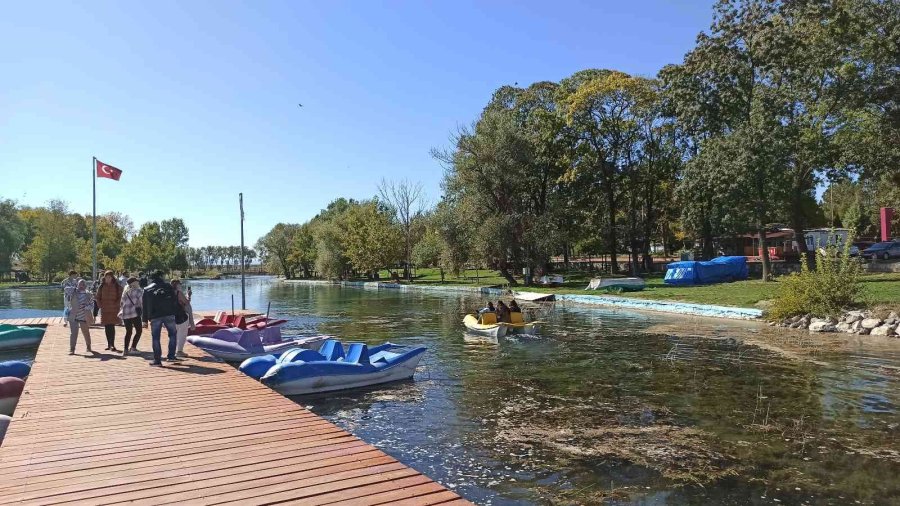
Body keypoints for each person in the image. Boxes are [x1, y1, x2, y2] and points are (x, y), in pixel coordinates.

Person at [142, 270, 180, 366]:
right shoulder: (169, 286)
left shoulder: (147, 289)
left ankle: (157, 360)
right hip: (169, 314)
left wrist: (144, 320)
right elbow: (175, 301)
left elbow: (145, 306)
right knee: (172, 335)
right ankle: (171, 356)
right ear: (161, 276)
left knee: (156, 338)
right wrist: (175, 313)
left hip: (155, 316)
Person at [95, 270, 123, 352]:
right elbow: (97, 297)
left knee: (112, 326)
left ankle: (112, 344)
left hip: (113, 309)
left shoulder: (117, 286)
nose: (107, 278)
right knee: (107, 327)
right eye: (106, 277)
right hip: (105, 309)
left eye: (109, 277)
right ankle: (109, 344)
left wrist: (116, 304)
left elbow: (121, 296)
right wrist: (100, 305)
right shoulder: (101, 286)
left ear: (112, 277)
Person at [67, 279, 93, 355]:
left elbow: (92, 305)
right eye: (80, 284)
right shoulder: (73, 292)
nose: (81, 286)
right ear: (77, 285)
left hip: (84, 316)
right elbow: (65, 288)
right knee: (73, 333)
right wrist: (74, 287)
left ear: (85, 286)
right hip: (73, 316)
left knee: (85, 332)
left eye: (83, 284)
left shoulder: (89, 294)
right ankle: (72, 349)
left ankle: (88, 346)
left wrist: (86, 307)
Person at [120, 277, 143, 355]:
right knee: (139, 330)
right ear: (134, 283)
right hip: (135, 313)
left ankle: (125, 349)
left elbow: (122, 302)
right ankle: (133, 347)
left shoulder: (125, 291)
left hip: (125, 313)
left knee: (128, 331)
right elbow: (142, 302)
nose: (138, 283)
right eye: (137, 281)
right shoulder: (138, 291)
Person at [171, 279, 192, 357]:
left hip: (171, 317)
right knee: (182, 334)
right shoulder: (178, 293)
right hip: (181, 316)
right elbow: (186, 303)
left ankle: (172, 351)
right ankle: (179, 351)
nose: (181, 286)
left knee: (174, 335)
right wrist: (188, 295)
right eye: (180, 284)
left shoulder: (168, 293)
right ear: (177, 285)